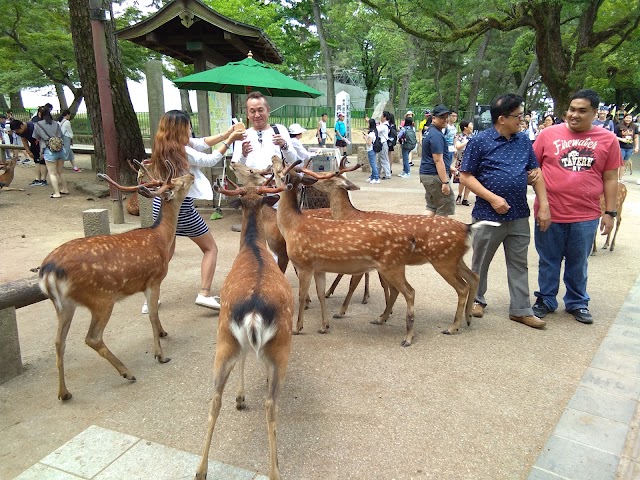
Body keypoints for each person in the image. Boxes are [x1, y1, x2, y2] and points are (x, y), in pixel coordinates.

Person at [460, 93, 550, 330]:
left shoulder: (523, 141)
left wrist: (545, 207)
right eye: (518, 116)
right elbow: (465, 175)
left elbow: (536, 174)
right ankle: (476, 300)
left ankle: (521, 310)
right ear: (502, 118)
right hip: (488, 215)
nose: (522, 120)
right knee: (480, 261)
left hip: (519, 214)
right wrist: (492, 198)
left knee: (519, 263)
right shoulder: (480, 142)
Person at [531, 90, 622, 325]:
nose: (574, 114)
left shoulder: (607, 139)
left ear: (594, 113)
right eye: (572, 109)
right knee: (548, 260)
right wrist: (542, 204)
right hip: (549, 211)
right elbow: (533, 170)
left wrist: (610, 212)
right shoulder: (547, 135)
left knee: (578, 261)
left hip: (585, 214)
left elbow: (611, 178)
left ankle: (577, 302)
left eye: (582, 110)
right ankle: (546, 300)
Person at [146, 110, 246, 313]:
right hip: (180, 206)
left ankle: (150, 297)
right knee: (210, 248)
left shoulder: (164, 145)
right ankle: (204, 293)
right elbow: (208, 160)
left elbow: (200, 143)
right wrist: (230, 141)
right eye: (187, 126)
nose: (190, 129)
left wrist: (226, 133)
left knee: (165, 254)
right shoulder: (182, 151)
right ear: (179, 130)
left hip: (161, 204)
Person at [231, 91, 296, 170]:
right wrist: (243, 155)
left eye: (260, 110)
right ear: (248, 115)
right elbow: (236, 168)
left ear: (268, 111)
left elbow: (293, 161)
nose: (257, 115)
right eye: (252, 111)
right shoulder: (242, 136)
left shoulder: (280, 130)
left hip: (277, 181)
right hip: (252, 181)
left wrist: (284, 146)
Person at [419, 104, 455, 217]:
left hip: (427, 174)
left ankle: (419, 232)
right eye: (441, 117)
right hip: (434, 175)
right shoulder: (436, 135)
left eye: (446, 117)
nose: (445, 120)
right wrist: (445, 182)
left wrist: (449, 167)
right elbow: (438, 160)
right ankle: (439, 233)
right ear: (434, 118)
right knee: (443, 209)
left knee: (432, 207)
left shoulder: (429, 132)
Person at [33, 106, 67, 198]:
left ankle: (57, 193)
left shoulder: (38, 124)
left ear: (40, 114)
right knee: (61, 172)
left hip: (49, 150)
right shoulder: (56, 123)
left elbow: (36, 137)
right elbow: (61, 136)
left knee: (52, 173)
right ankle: (65, 189)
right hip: (60, 149)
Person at [10, 118, 47, 186]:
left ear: (22, 126)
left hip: (42, 144)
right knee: (36, 161)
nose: (18, 132)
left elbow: (42, 138)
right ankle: (37, 179)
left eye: (18, 130)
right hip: (34, 145)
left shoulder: (33, 127)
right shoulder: (20, 132)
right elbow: (24, 140)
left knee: (43, 162)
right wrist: (28, 151)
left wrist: (42, 151)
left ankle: (43, 179)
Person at [453, 119, 473, 206]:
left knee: (470, 180)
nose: (472, 127)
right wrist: (467, 142)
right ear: (465, 127)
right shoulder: (459, 137)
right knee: (462, 180)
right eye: (470, 125)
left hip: (472, 160)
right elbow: (458, 147)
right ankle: (459, 195)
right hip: (462, 160)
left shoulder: (474, 136)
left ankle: (466, 198)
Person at [614, 113, 639, 182]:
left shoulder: (635, 127)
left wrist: (636, 146)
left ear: (632, 119)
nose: (628, 119)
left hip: (629, 147)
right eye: (627, 118)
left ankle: (620, 178)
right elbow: (613, 136)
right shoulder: (618, 126)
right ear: (624, 118)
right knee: (618, 163)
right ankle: (615, 178)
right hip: (620, 146)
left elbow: (636, 137)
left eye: (630, 118)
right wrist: (621, 139)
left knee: (624, 163)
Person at [363, 117, 380, 184]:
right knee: (373, 163)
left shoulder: (371, 134)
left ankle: (376, 177)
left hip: (371, 149)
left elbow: (369, 143)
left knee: (373, 164)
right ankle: (373, 176)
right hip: (374, 149)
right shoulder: (374, 132)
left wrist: (365, 138)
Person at [376, 111, 392, 179]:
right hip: (382, 144)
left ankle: (387, 174)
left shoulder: (384, 126)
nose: (381, 117)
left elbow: (376, 129)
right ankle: (377, 173)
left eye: (382, 116)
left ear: (385, 117)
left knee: (384, 159)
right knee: (380, 160)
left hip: (383, 143)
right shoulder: (385, 125)